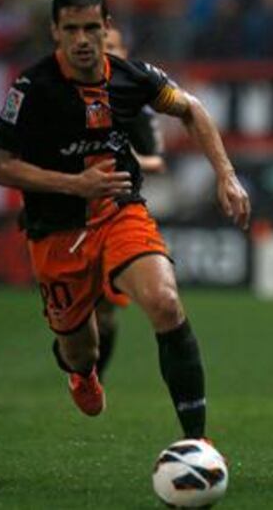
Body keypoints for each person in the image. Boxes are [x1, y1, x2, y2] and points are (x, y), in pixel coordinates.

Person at [0, 0, 250, 445]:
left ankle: (198, 442)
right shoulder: (32, 88)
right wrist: (74, 184)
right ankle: (81, 371)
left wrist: (226, 174)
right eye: (73, 29)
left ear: (107, 27)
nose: (83, 40)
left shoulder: (133, 77)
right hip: (55, 231)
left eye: (92, 27)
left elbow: (191, 109)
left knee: (165, 303)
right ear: (55, 32)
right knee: (81, 348)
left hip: (118, 213)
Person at [93, 25, 167, 382]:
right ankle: (81, 370)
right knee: (73, 318)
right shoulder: (65, 92)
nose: (104, 51)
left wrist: (123, 158)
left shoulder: (134, 100)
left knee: (104, 310)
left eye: (111, 45)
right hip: (68, 212)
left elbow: (157, 158)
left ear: (123, 51)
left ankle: (94, 379)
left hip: (117, 210)